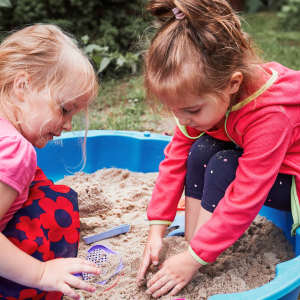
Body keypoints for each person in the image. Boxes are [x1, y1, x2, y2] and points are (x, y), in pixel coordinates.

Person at [136, 0, 300, 298]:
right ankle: (193, 241)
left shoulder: (271, 116)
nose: (182, 120)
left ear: (232, 84)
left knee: (223, 164)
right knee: (199, 149)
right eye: (173, 110)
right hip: (269, 164)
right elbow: (174, 161)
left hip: (294, 183)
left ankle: (199, 254)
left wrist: (193, 261)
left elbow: (246, 196)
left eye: (191, 111)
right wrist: (156, 230)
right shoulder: (204, 96)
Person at [0, 24, 101, 300]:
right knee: (58, 202)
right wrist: (41, 273)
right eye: (65, 109)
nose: (68, 125)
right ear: (22, 86)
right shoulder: (14, 149)